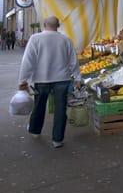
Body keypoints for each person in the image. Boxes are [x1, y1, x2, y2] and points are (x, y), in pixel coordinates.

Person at [18, 16, 81, 148]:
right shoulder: (66, 40)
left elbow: (28, 61)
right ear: (58, 26)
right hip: (62, 80)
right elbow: (73, 61)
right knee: (60, 109)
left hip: (41, 79)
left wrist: (23, 80)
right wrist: (77, 78)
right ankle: (57, 140)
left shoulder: (35, 39)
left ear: (44, 25)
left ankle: (35, 131)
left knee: (39, 106)